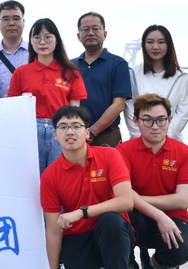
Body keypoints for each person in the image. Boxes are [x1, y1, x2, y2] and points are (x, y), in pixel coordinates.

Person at [40, 105, 134, 269]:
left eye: (76, 126)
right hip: (77, 236)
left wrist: (82, 212)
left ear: (87, 133)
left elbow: (126, 201)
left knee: (110, 221)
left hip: (112, 233)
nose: (70, 132)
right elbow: (53, 231)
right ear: (55, 134)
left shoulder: (109, 155)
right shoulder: (50, 176)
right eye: (63, 127)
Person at [118, 93, 188, 269]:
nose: (155, 127)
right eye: (147, 120)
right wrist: (158, 214)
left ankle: (158, 263)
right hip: (135, 216)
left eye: (161, 120)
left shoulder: (185, 154)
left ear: (169, 120)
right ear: (136, 121)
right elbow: (121, 194)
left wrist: (136, 198)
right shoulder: (123, 151)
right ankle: (128, 263)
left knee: (180, 250)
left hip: (173, 217)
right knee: (111, 221)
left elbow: (181, 200)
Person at [8, 18, 86, 174]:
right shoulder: (21, 72)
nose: (42, 42)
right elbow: (12, 107)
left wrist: (70, 131)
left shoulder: (71, 72)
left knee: (61, 174)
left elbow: (75, 110)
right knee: (30, 176)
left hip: (60, 128)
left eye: (48, 37)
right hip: (30, 129)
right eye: (37, 37)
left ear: (57, 40)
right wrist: (23, 101)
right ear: (31, 42)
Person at [74, 11, 132, 147]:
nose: (91, 33)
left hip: (107, 135)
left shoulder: (118, 64)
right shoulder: (70, 66)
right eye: (85, 29)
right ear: (79, 36)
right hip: (75, 134)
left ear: (104, 34)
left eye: (96, 28)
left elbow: (119, 104)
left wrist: (92, 131)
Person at [124, 25, 188, 142]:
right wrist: (141, 138)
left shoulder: (182, 77)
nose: (155, 47)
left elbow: (182, 114)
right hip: (139, 143)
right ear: (144, 45)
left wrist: (162, 139)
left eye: (161, 42)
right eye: (150, 42)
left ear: (168, 45)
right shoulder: (132, 74)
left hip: (171, 143)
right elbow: (129, 109)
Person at [0, 0, 29, 97]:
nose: (11, 23)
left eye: (16, 18)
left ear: (23, 22)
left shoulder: (36, 53)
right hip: (0, 107)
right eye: (5, 19)